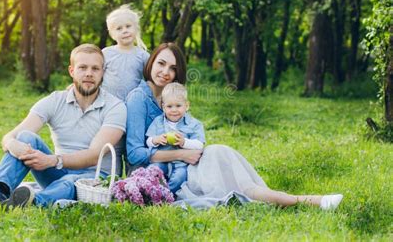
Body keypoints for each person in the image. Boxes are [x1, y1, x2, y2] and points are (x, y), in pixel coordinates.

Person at [125, 42, 343, 210]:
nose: (165, 72)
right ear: (151, 63)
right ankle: (306, 201)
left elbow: (192, 134)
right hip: (159, 173)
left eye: (172, 68)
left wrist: (188, 149)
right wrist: (180, 154)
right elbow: (135, 154)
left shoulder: (172, 98)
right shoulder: (139, 99)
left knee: (221, 154)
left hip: (185, 161)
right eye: (161, 63)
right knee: (231, 180)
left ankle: (300, 199)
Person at [0, 44, 127, 209]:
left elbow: (94, 155)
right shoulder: (55, 100)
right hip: (58, 171)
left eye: (95, 69)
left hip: (97, 179)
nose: (88, 74)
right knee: (26, 138)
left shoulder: (115, 107)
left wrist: (54, 160)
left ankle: (31, 202)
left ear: (103, 73)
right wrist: (13, 145)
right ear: (72, 71)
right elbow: (10, 136)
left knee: (69, 182)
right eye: (83, 67)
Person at [146, 83, 205, 194]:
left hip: (181, 163)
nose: (174, 110)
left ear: (186, 106)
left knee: (180, 177)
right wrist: (156, 140)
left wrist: (184, 142)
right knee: (152, 170)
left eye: (178, 106)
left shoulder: (193, 124)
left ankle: (167, 195)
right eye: (169, 106)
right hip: (162, 160)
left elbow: (199, 144)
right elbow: (148, 141)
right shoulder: (158, 122)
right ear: (163, 107)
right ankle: (152, 192)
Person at [101, 4, 150, 101]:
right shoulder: (106, 53)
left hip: (132, 102)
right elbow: (96, 75)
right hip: (108, 102)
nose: (125, 31)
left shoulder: (143, 55)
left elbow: (150, 80)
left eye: (128, 26)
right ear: (112, 34)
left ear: (135, 28)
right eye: (119, 28)